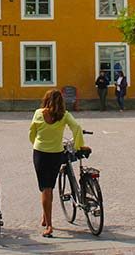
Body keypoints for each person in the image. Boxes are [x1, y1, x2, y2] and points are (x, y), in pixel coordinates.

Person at [29, 89, 90, 238]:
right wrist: (78, 145)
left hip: (40, 154)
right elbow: (76, 128)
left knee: (45, 188)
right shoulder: (64, 115)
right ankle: (46, 217)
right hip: (56, 154)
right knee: (50, 186)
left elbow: (32, 133)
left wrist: (36, 143)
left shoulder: (38, 113)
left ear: (46, 100)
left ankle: (49, 225)